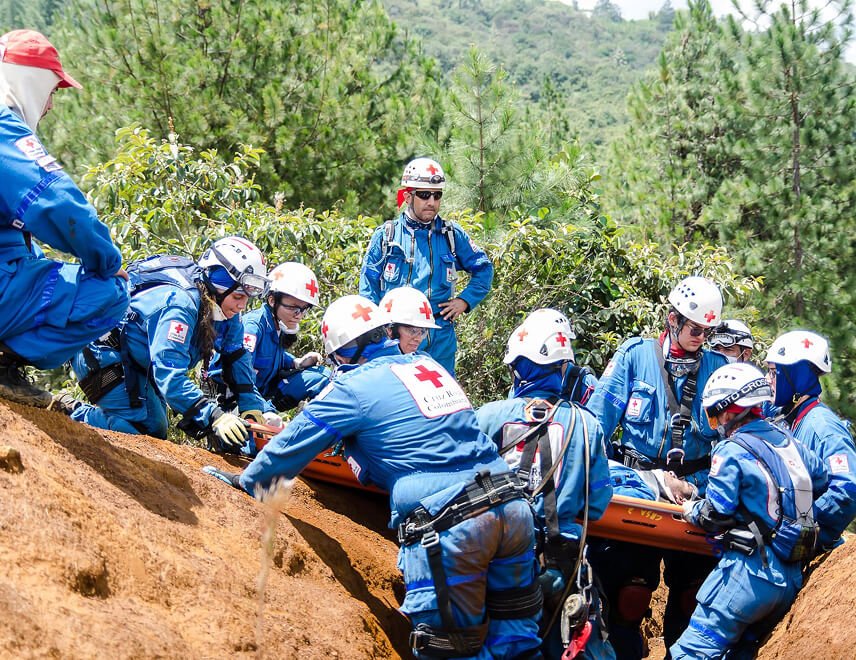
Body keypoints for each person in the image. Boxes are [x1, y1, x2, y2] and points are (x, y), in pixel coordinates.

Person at [203, 294, 543, 659]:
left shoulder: (352, 388)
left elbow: (294, 441)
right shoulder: (429, 366)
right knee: (518, 640)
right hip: (512, 509)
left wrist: (248, 481)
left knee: (451, 647)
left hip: (454, 525)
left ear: (346, 351)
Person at [586, 275, 727, 658]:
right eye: (695, 328)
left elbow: (733, 441)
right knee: (631, 595)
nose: (701, 337)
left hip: (694, 496)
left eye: (707, 331)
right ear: (672, 319)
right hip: (638, 489)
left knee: (691, 597)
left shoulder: (718, 368)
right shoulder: (635, 357)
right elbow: (596, 426)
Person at [475, 310, 615, 659]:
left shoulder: (488, 416)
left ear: (518, 368)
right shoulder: (587, 426)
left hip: (497, 563)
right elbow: (596, 503)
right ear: (563, 368)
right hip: (560, 566)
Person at [0, 29, 129, 406]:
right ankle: (4, 365)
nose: (51, 105)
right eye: (52, 91)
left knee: (35, 260)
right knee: (110, 292)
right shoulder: (5, 130)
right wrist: (107, 259)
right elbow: (57, 203)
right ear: (31, 81)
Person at [672, 362, 828, 658]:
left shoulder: (731, 450)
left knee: (690, 651)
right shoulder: (789, 440)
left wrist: (691, 509)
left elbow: (715, 515)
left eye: (715, 415)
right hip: (791, 577)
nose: (716, 424)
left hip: (749, 574)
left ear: (731, 410)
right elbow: (821, 477)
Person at [68, 238, 274, 454]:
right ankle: (71, 411)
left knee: (154, 422)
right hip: (100, 355)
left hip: (138, 362)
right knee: (149, 428)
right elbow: (170, 376)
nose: (242, 305)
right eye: (239, 296)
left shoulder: (223, 306)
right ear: (219, 284)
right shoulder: (179, 306)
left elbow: (235, 354)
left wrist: (251, 404)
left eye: (247, 298)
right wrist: (214, 416)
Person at [359, 157, 494, 376]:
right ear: (408, 195)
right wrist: (377, 331)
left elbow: (484, 269)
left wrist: (464, 301)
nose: (431, 201)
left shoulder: (452, 235)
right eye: (424, 195)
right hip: (396, 336)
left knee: (441, 400)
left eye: (437, 195)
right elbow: (368, 286)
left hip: (440, 336)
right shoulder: (386, 236)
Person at [765, 330, 856, 552]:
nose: (768, 379)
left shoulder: (822, 427)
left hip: (803, 546)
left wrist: (802, 533)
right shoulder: (791, 418)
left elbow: (848, 488)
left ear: (794, 377)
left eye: (773, 372)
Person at [206, 261, 330, 417]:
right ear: (272, 301)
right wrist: (263, 411)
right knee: (259, 437)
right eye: (293, 307)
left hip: (264, 394)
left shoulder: (279, 325)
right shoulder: (253, 328)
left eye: (304, 309)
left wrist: (294, 362)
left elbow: (268, 357)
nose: (299, 315)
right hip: (236, 400)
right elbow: (239, 374)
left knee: (321, 376)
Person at [379, 285, 440, 354]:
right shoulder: (372, 362)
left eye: (423, 332)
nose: (419, 339)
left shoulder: (422, 359)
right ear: (389, 330)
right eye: (413, 331)